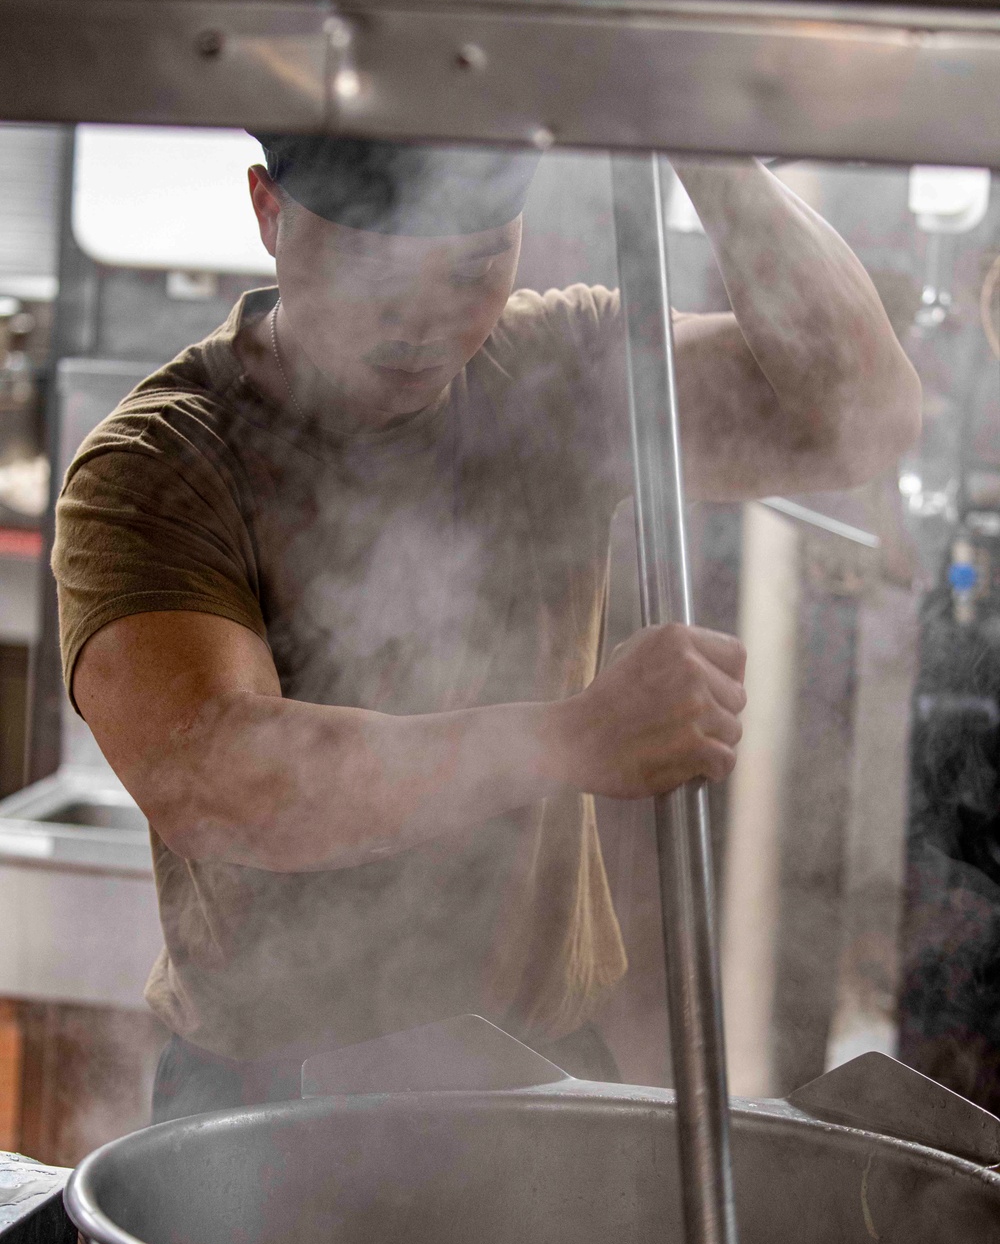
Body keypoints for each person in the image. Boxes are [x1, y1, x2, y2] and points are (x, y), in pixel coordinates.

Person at [52, 137, 921, 1119]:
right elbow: (221, 777)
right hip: (268, 1097)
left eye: (471, 269)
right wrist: (565, 738)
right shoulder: (157, 462)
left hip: (537, 1070)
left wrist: (704, 146)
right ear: (268, 212)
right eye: (372, 270)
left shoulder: (557, 370)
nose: (422, 322)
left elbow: (860, 418)